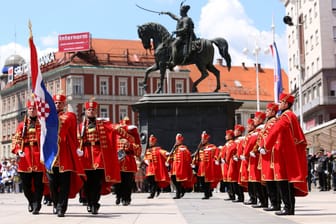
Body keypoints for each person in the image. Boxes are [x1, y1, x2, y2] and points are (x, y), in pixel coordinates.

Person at [263, 93, 308, 215]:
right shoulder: (288, 115)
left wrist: (266, 146)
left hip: (284, 152)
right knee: (285, 180)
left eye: (281, 102)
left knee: (283, 180)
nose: (279, 104)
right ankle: (288, 207)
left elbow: (275, 131)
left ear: (286, 104)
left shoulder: (285, 116)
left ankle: (288, 208)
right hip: (285, 151)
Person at [77, 100, 125, 214]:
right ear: (86, 111)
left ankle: (95, 203)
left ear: (96, 111)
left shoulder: (102, 124)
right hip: (86, 156)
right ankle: (89, 201)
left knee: (97, 181)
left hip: (98, 155)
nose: (91, 111)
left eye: (93, 110)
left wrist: (125, 131)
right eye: (89, 110)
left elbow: (113, 129)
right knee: (87, 182)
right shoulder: (80, 126)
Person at [47, 94, 85, 217]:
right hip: (51, 155)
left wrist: (77, 148)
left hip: (64, 155)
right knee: (52, 183)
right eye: (56, 102)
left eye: (60, 103)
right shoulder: (46, 116)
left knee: (64, 183)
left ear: (64, 104)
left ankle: (61, 208)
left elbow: (67, 127)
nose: (57, 104)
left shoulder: (69, 116)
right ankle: (55, 202)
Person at [11, 100, 44, 214]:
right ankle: (31, 201)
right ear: (27, 110)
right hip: (25, 156)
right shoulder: (22, 125)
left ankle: (37, 204)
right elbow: (16, 139)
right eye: (30, 108)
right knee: (26, 184)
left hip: (38, 156)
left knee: (39, 184)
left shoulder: (42, 123)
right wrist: (18, 150)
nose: (32, 110)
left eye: (34, 108)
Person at [258, 102, 281, 211]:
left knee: (272, 180)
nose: (266, 112)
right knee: (269, 179)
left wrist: (264, 147)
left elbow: (270, 137)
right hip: (266, 153)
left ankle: (275, 203)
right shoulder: (269, 122)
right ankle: (273, 203)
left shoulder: (273, 122)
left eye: (267, 110)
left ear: (272, 111)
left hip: (270, 153)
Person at [114, 116, 141, 206]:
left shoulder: (132, 137)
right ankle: (118, 196)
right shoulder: (116, 136)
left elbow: (137, 149)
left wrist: (130, 145)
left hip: (128, 160)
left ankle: (126, 198)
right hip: (118, 161)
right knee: (118, 181)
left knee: (128, 182)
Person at [161, 4, 197, 68]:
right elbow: (174, 16)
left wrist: (176, 31)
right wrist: (166, 13)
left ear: (183, 12)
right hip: (179, 36)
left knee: (173, 45)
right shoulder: (181, 18)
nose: (179, 12)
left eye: (180, 11)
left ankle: (174, 61)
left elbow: (185, 29)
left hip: (183, 37)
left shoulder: (186, 19)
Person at [193, 131, 221, 199]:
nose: (202, 141)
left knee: (207, 181)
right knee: (202, 181)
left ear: (206, 140)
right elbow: (197, 156)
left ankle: (207, 194)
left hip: (207, 166)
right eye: (202, 139)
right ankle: (208, 193)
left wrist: (216, 158)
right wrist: (194, 162)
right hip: (201, 166)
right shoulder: (200, 148)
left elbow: (217, 151)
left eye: (204, 139)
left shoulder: (211, 146)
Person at [166, 133, 193, 199]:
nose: (176, 141)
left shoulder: (183, 148)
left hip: (179, 166)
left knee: (177, 180)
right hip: (174, 166)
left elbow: (188, 156)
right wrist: (168, 161)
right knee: (173, 179)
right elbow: (171, 155)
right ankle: (182, 190)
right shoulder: (175, 148)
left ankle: (178, 194)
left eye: (178, 140)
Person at [144, 134, 170, 199]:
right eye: (150, 141)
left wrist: (167, 153)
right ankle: (157, 189)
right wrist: (145, 160)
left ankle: (152, 194)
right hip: (149, 168)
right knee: (149, 180)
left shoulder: (158, 149)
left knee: (153, 181)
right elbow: (145, 157)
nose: (150, 143)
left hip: (155, 168)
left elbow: (163, 152)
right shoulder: (148, 150)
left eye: (151, 141)